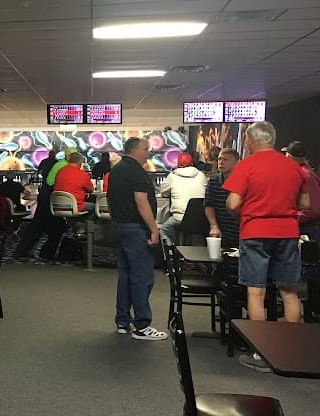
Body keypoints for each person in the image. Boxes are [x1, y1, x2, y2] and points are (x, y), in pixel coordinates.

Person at [223, 122, 309, 372]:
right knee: (289, 292)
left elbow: (233, 203)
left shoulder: (246, 165)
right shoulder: (294, 167)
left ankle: (261, 353)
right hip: (287, 232)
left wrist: (247, 212)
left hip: (255, 232)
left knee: (256, 292)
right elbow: (304, 203)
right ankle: (292, 351)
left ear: (251, 140)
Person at [108, 137, 167, 340]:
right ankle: (142, 325)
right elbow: (141, 201)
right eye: (146, 149)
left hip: (120, 227)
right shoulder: (136, 171)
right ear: (134, 150)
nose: (149, 152)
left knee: (125, 276)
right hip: (135, 229)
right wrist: (154, 229)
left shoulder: (116, 170)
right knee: (142, 277)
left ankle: (122, 321)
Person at [14, 147, 78, 260]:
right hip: (48, 197)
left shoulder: (60, 164)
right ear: (68, 156)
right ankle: (41, 253)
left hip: (47, 195)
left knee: (48, 226)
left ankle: (34, 251)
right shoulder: (63, 166)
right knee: (46, 226)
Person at [39, 152, 94, 261]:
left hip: (57, 206)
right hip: (76, 206)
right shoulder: (82, 174)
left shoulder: (60, 171)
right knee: (94, 207)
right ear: (80, 163)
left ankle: (77, 227)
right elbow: (91, 189)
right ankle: (83, 229)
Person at [158, 153, 208, 247]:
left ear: (178, 164)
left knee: (163, 231)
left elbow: (163, 192)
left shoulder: (172, 175)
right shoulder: (201, 175)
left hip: (179, 218)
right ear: (192, 163)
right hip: (200, 218)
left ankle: (172, 251)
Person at [283, 141, 320, 247]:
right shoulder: (303, 172)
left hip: (310, 228)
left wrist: (290, 218)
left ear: (289, 156)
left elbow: (313, 210)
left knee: (308, 256)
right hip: (309, 226)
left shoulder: (305, 175)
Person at [204, 148, 241, 248]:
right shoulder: (214, 180)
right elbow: (209, 205)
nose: (221, 162)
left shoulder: (243, 180)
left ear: (236, 162)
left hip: (239, 230)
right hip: (221, 229)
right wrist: (214, 225)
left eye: (226, 160)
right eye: (219, 159)